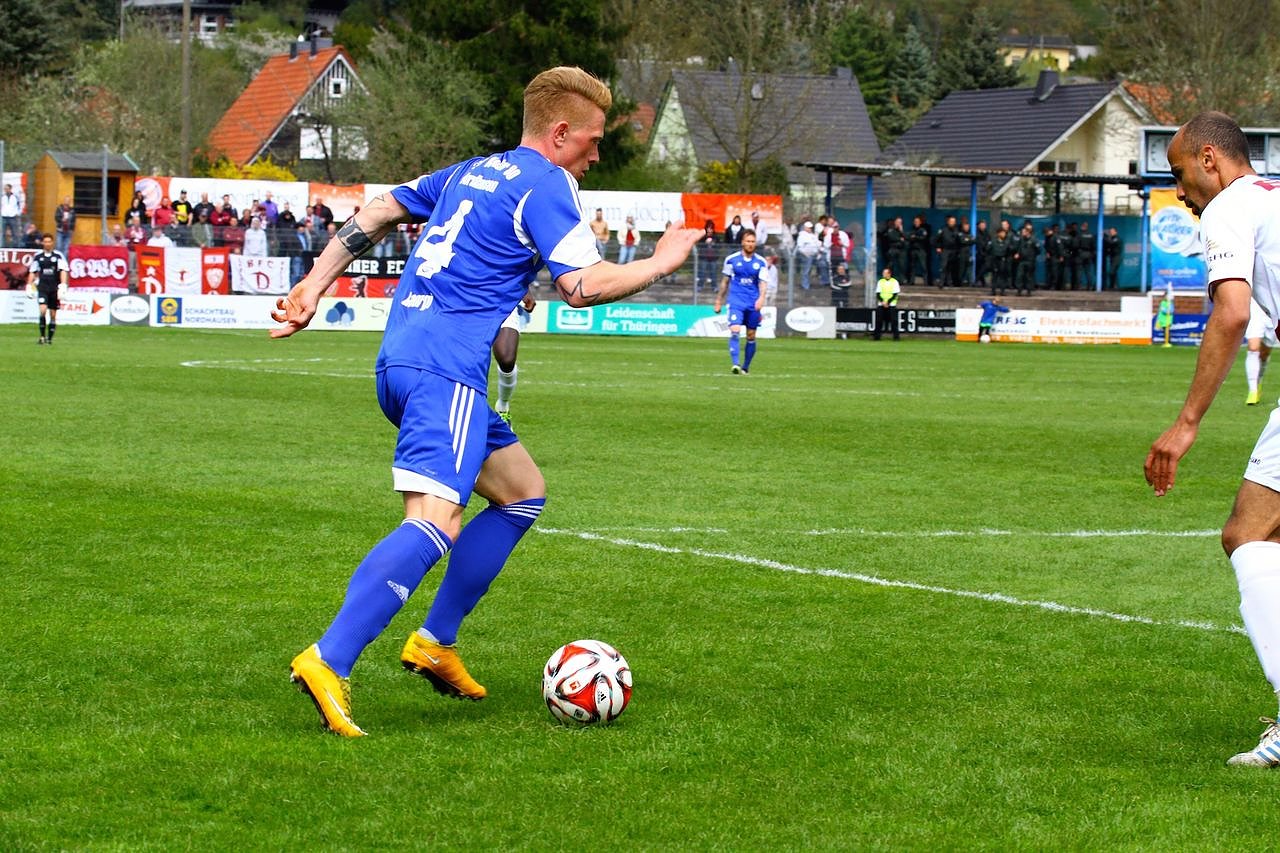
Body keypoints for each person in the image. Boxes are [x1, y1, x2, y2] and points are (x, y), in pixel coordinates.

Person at [268, 66, 702, 737]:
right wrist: (661, 263)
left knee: (522, 492)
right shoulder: (547, 182)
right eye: (592, 141)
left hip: (404, 357)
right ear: (561, 132)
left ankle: (434, 642)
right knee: (436, 522)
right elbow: (581, 286)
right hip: (445, 370)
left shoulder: (473, 171)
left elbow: (379, 210)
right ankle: (330, 657)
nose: (595, 155)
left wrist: (313, 285)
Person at [1143, 111, 1280, 768]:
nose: (1180, 192)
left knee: (1248, 535)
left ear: (1209, 159)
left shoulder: (1229, 206)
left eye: (1179, 174)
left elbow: (1231, 312)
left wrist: (1187, 422)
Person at [714, 228, 766, 375]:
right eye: (748, 241)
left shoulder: (761, 262)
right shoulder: (731, 260)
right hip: (736, 301)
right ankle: (735, 364)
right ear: (742, 242)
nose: (750, 244)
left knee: (751, 335)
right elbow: (725, 282)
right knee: (735, 330)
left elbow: (763, 283)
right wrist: (718, 300)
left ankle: (745, 367)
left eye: (753, 241)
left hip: (753, 302)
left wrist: (761, 298)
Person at [492, 293, 537, 423]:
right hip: (465, 298)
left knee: (506, 359)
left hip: (502, 298)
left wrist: (525, 291)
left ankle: (502, 406)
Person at [27, 233, 68, 345]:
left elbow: (63, 271)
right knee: (43, 311)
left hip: (54, 289)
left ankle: (49, 338)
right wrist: (29, 285)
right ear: (42, 243)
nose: (47, 244)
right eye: (45, 242)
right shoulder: (38, 256)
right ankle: (41, 337)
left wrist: (63, 285)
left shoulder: (58, 256)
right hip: (43, 288)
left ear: (52, 243)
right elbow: (32, 271)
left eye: (49, 241)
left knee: (53, 314)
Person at [1246, 297, 1273, 405]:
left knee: (1264, 354)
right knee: (1253, 348)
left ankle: (1258, 380)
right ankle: (1252, 390)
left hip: (1273, 311)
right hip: (1255, 308)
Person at [874, 267, 900, 341]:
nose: (883, 274)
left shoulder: (894, 282)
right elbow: (878, 293)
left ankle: (896, 337)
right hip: (881, 304)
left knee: (893, 321)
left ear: (889, 274)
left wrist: (888, 302)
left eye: (885, 273)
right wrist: (882, 301)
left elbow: (895, 294)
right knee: (879, 321)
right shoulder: (880, 281)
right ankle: (877, 337)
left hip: (891, 305)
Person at [795, 220, 820, 289]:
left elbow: (816, 243)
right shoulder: (802, 236)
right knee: (806, 270)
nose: (810, 229)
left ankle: (807, 284)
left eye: (811, 228)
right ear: (805, 228)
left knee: (809, 270)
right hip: (806, 255)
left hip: (814, 255)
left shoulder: (812, 235)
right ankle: (805, 285)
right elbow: (800, 247)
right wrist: (806, 254)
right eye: (808, 227)